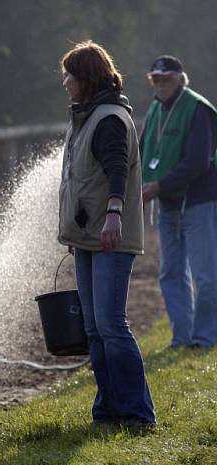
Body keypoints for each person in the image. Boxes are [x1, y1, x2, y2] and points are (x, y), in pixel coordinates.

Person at [58, 41, 155, 429]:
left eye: (69, 74)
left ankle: (137, 414)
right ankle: (108, 409)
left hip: (111, 235)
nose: (65, 82)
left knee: (111, 324)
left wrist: (114, 213)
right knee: (94, 327)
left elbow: (116, 171)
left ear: (87, 77)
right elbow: (81, 179)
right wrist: (75, 229)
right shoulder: (87, 116)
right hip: (89, 235)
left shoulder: (109, 118)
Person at [140, 55, 217, 349]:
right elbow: (142, 149)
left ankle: (206, 338)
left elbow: (198, 161)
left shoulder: (198, 108)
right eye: (155, 78)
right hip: (168, 203)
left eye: (166, 78)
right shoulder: (155, 110)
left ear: (180, 79)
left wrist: (159, 185)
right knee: (171, 274)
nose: (160, 83)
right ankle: (181, 338)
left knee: (206, 275)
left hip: (199, 200)